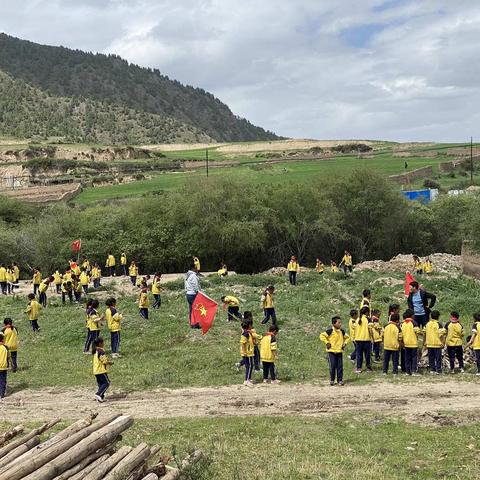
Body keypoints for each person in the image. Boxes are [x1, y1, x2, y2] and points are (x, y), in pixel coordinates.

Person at [320, 316, 349, 386]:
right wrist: (327, 342)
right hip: (331, 352)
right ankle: (332, 379)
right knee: (332, 366)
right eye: (338, 323)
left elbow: (348, 337)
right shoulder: (330, 331)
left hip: (339, 351)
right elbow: (322, 335)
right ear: (333, 324)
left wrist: (344, 344)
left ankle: (340, 380)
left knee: (340, 366)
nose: (340, 324)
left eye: (340, 322)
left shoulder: (342, 331)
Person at [92, 337, 113, 402]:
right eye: (103, 342)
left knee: (101, 384)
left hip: (96, 370)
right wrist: (110, 362)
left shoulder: (95, 350)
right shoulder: (101, 351)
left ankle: (101, 397)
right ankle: (98, 394)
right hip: (101, 370)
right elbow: (104, 361)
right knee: (107, 383)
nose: (104, 343)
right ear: (100, 343)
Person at [424, 310, 445, 375]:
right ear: (438, 316)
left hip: (429, 343)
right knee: (438, 358)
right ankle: (438, 370)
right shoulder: (439, 324)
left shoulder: (427, 324)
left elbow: (424, 333)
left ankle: (432, 369)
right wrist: (442, 342)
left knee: (431, 358)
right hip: (437, 344)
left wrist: (424, 342)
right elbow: (442, 334)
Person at [401, 309, 421, 376]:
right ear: (412, 315)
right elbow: (417, 331)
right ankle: (414, 371)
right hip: (413, 343)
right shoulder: (413, 322)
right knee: (414, 357)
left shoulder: (403, 323)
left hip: (406, 343)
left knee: (407, 358)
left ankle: (407, 371)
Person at [354, 306, 373, 373]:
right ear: (367, 312)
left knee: (359, 355)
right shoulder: (368, 319)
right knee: (367, 355)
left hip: (358, 339)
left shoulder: (357, 319)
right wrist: (372, 337)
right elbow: (370, 329)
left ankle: (359, 368)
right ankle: (368, 368)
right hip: (366, 339)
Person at [240, 320, 255, 386]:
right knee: (250, 366)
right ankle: (246, 380)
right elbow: (243, 343)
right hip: (248, 353)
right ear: (249, 326)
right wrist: (245, 352)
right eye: (251, 325)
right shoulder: (245, 333)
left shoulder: (248, 332)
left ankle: (248, 378)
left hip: (249, 352)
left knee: (249, 366)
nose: (252, 326)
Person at [0, 334, 7, 398]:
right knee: (3, 380)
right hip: (3, 367)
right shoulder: (5, 348)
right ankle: (2, 394)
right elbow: (9, 357)